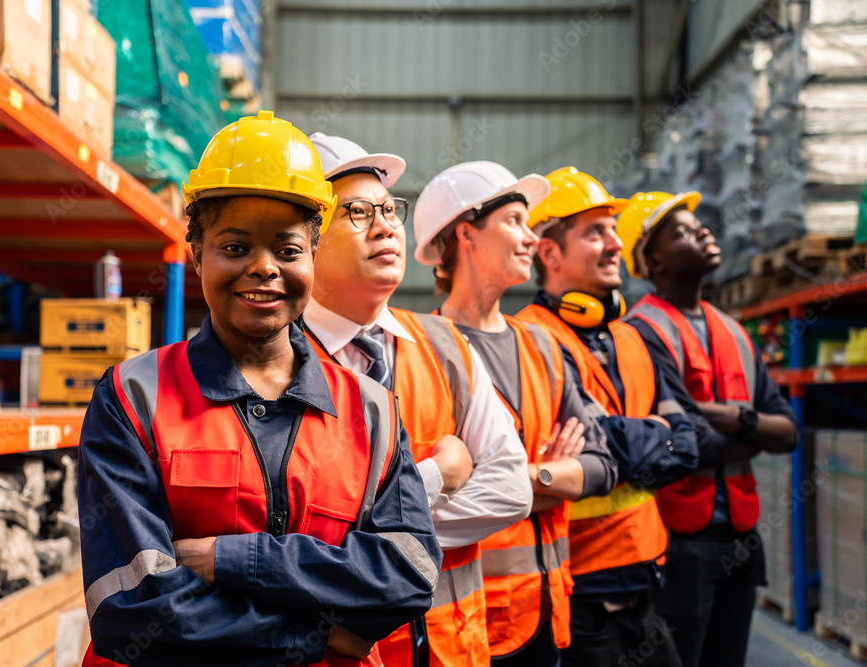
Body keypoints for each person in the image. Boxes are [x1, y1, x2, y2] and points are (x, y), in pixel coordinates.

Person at [77, 112, 441, 667]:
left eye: (288, 251)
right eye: (235, 247)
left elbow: (409, 572)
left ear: (313, 256)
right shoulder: (133, 397)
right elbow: (131, 602)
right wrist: (314, 636)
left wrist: (235, 560)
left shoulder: (371, 411)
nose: (264, 268)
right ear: (197, 252)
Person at [304, 132, 533, 666]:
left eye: (390, 209)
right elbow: (287, 530)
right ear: (304, 236)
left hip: (452, 649)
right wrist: (436, 479)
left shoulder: (446, 346)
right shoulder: (276, 363)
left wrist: (365, 534)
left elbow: (511, 490)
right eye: (357, 212)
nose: (386, 226)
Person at [413, 161, 620, 667]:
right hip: (468, 621)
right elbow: (426, 501)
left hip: (547, 611)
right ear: (467, 232)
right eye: (515, 221)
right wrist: (551, 478)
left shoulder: (542, 346)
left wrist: (515, 477)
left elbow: (603, 465)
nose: (531, 238)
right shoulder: (420, 351)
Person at [515, 167, 699, 667]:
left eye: (613, 230)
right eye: (596, 232)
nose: (616, 244)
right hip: (576, 589)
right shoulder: (528, 340)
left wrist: (627, 442)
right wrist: (652, 436)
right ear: (549, 254)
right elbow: (607, 440)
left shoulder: (632, 337)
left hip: (646, 575)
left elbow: (689, 444)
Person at [618, 191, 800, 667]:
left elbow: (789, 433)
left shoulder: (734, 331)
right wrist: (753, 434)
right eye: (680, 231)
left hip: (741, 537)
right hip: (679, 544)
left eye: (699, 224)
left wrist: (737, 418)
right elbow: (688, 444)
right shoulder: (643, 332)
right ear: (651, 262)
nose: (702, 231)